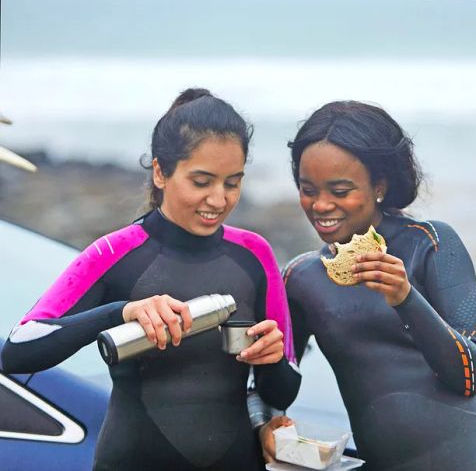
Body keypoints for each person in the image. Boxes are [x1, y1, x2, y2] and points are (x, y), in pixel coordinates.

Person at [1, 88, 300, 470]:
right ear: (161, 172)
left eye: (232, 182)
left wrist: (272, 359)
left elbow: (283, 390)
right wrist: (119, 314)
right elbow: (17, 351)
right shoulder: (115, 253)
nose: (219, 199)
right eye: (202, 181)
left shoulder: (254, 255)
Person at [262, 101, 476, 470]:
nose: (321, 205)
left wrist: (405, 298)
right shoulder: (302, 278)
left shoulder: (430, 244)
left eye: (340, 190)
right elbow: (280, 391)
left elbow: (469, 374)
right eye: (308, 189)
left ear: (380, 186)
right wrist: (267, 360)